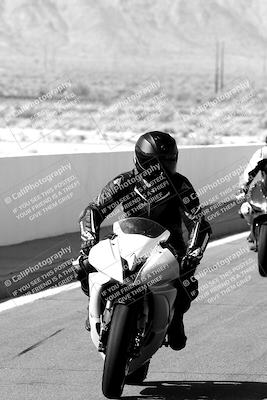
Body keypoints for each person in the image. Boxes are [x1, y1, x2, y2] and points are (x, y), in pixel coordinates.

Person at [75, 131, 212, 350]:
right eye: (156, 164)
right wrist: (88, 244)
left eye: (168, 163)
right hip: (128, 241)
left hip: (169, 247)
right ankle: (93, 307)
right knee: (83, 266)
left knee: (186, 283)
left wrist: (193, 254)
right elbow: (94, 210)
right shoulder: (124, 182)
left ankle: (175, 320)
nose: (162, 170)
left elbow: (199, 221)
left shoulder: (181, 185)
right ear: (142, 161)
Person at [237, 136, 267, 246]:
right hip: (264, 191)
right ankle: (252, 230)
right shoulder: (263, 153)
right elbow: (250, 171)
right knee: (246, 210)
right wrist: (243, 188)